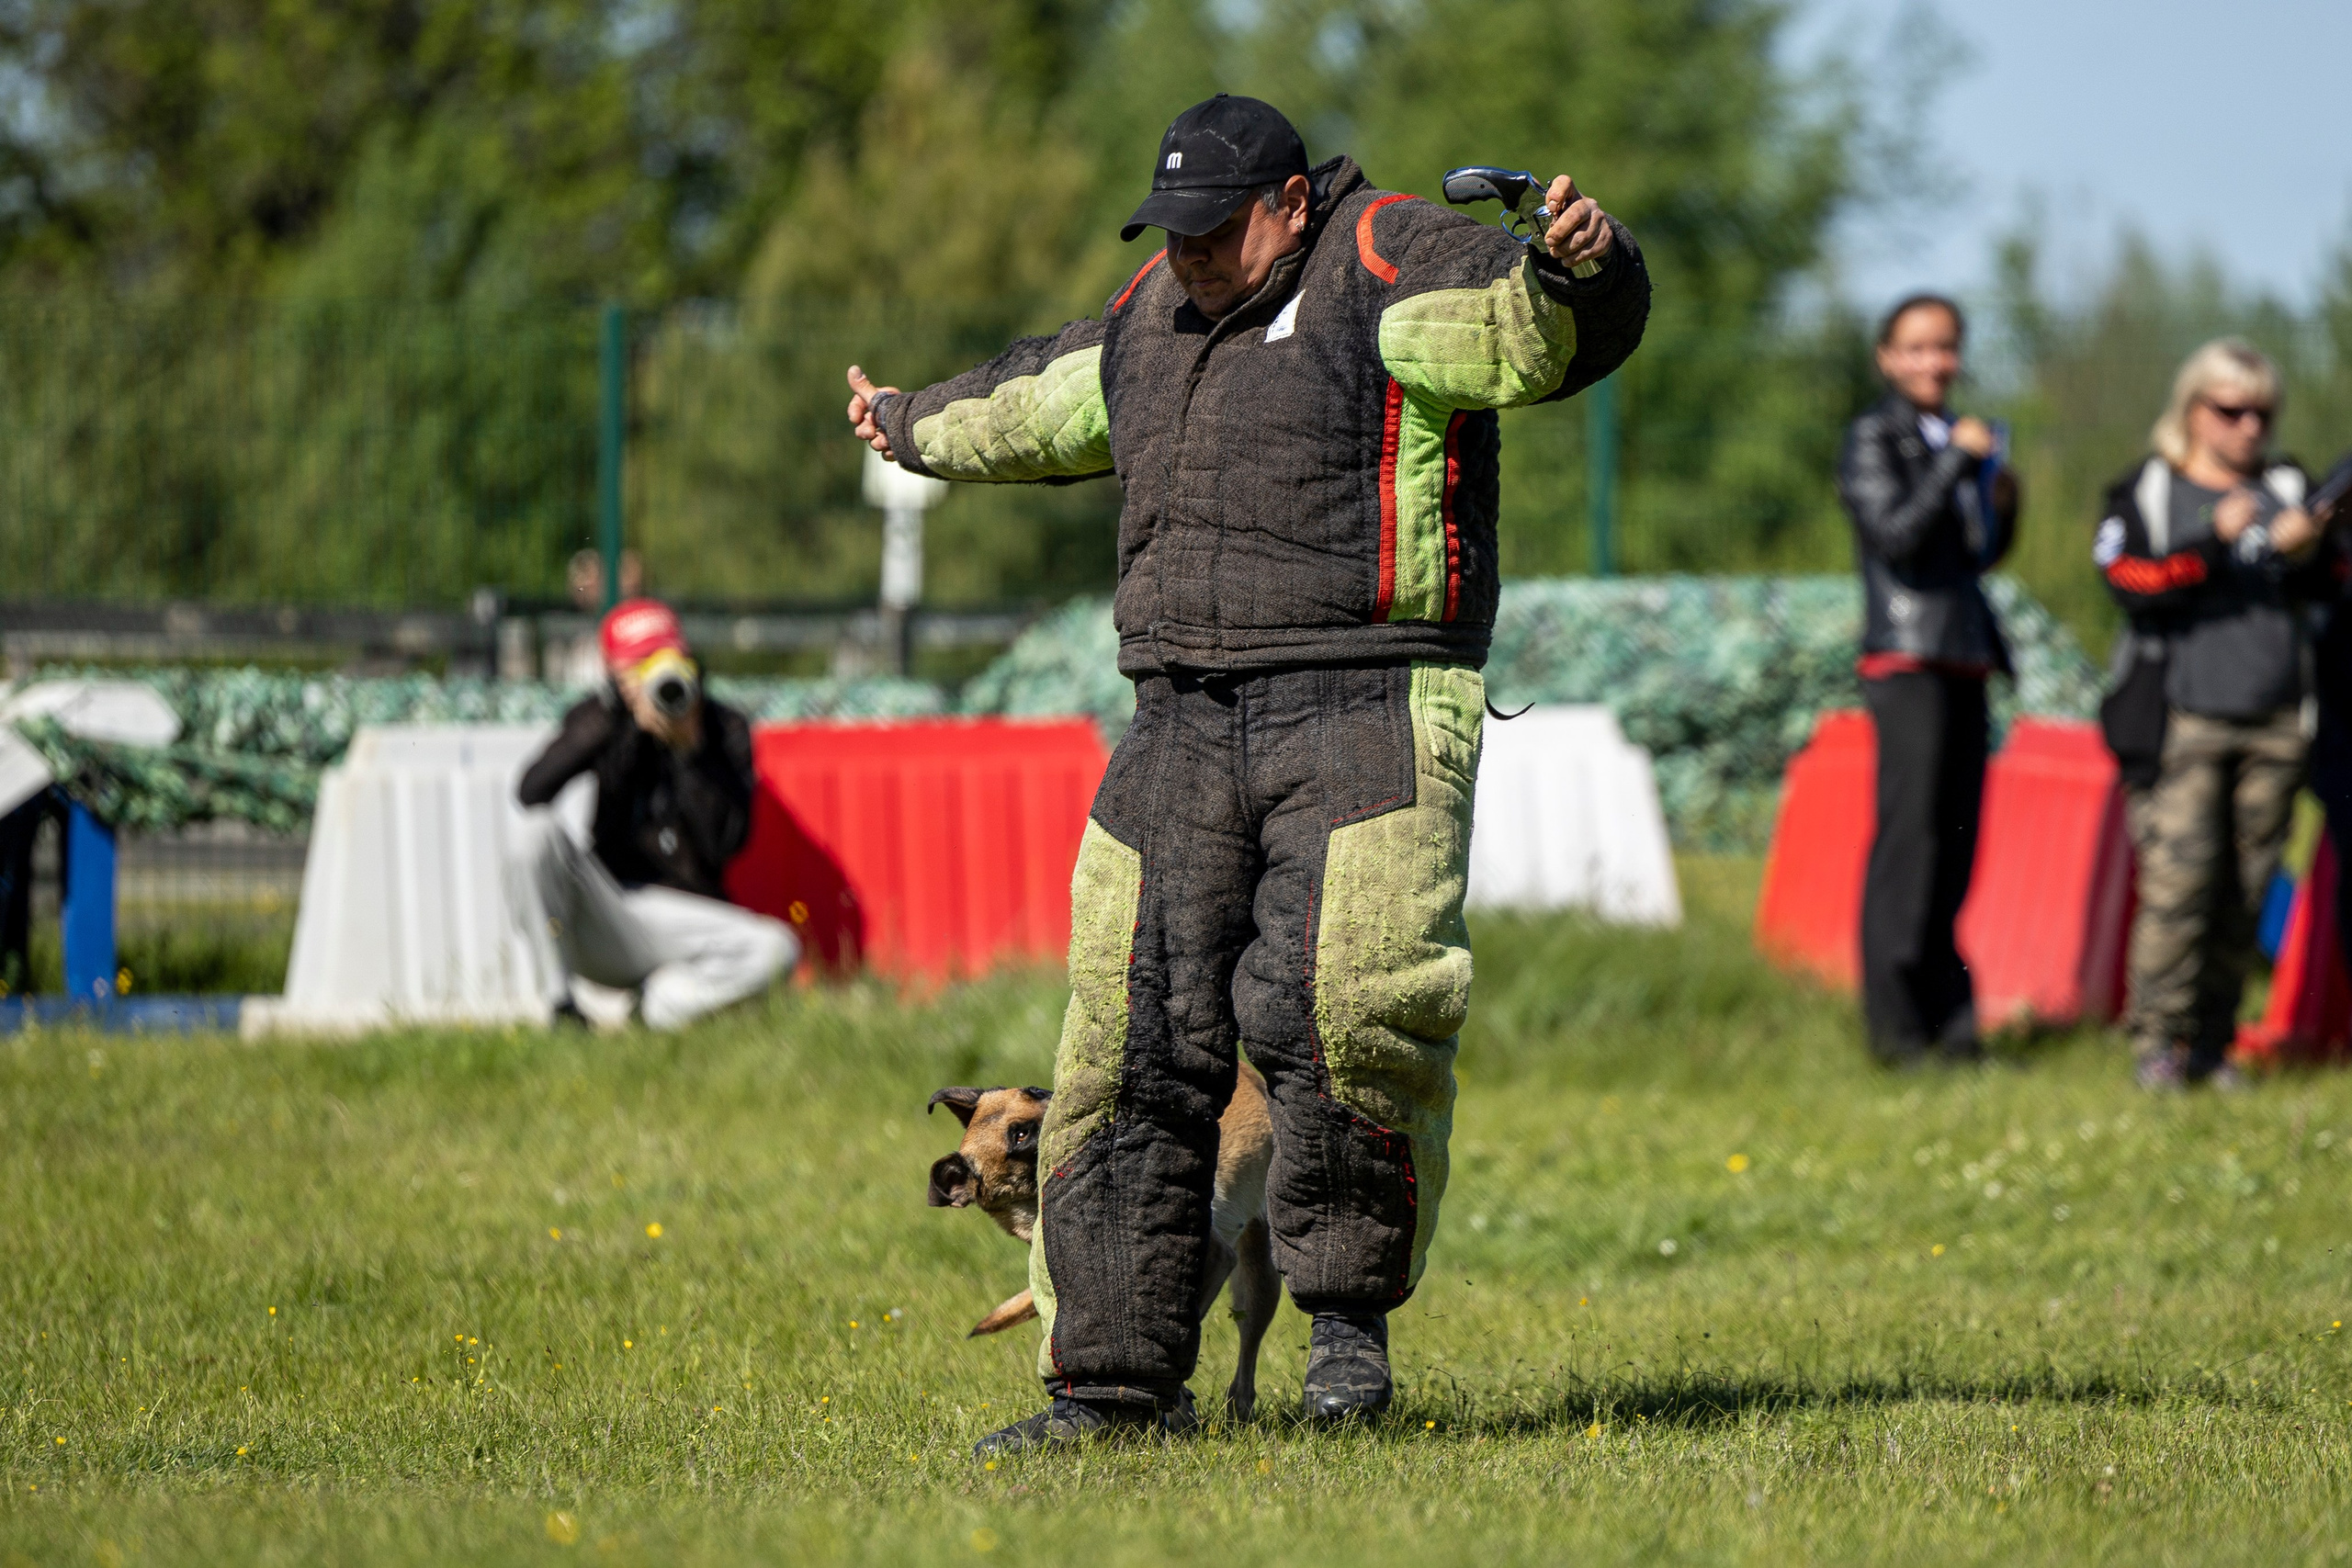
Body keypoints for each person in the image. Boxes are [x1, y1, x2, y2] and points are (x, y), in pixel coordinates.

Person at [845, 94, 1649, 1452]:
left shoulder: (1383, 255)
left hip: (1368, 699)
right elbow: (1039, 396)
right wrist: (911, 423)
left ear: (1288, 200)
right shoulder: (1154, 314)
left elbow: (1527, 330)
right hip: (1176, 713)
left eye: (1214, 230)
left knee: (1341, 1013)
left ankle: (1344, 1333)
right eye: (1170, 233)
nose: (1189, 256)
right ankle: (1109, 1384)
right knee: (1125, 1045)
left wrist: (1581, 264)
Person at [2095, 339, 2333, 1089]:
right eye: (2230, 410)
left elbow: (2330, 585)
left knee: (2246, 888)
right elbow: (2128, 579)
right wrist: (2211, 542)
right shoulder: (2152, 489)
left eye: (2261, 412)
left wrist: (2307, 549)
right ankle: (2157, 1044)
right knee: (2177, 887)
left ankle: (2214, 1043)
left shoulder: (2292, 485)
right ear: (2193, 409)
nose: (2248, 427)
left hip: (2277, 720)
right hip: (2180, 719)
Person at [1837, 295, 2019, 1067]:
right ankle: (1897, 1033)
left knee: (1956, 845)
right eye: (1915, 348)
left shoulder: (1960, 438)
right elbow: (1897, 536)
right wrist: (1953, 463)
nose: (1933, 362)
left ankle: (1954, 1028)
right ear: (1886, 357)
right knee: (1909, 845)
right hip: (1906, 658)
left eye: (1945, 347)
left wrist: (2002, 490)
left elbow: (1977, 553)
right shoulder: (1873, 436)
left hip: (1965, 653)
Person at [506, 597, 797, 1031]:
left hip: (690, 919)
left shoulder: (724, 728)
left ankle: (659, 1009)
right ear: (616, 673)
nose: (657, 675)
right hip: (612, 911)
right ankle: (561, 1007)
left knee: (779, 949)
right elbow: (532, 791)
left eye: (666, 659)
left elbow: (727, 844)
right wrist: (613, 717)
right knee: (533, 835)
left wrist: (690, 750)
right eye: (641, 664)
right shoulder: (603, 716)